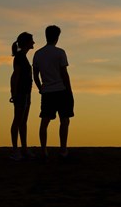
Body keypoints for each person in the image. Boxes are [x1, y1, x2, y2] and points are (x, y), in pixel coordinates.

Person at [33, 25, 74, 160]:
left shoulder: (38, 54)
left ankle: (44, 150)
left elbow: (35, 75)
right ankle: (63, 149)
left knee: (44, 121)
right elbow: (64, 73)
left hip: (47, 92)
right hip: (61, 90)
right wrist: (69, 90)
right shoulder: (60, 53)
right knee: (64, 120)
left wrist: (41, 88)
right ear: (57, 37)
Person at [9, 32, 35, 160]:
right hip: (20, 93)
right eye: (32, 41)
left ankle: (24, 148)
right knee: (17, 120)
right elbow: (15, 76)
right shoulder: (19, 57)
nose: (34, 43)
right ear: (26, 43)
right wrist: (13, 93)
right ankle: (15, 150)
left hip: (26, 92)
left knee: (23, 121)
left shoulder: (22, 57)